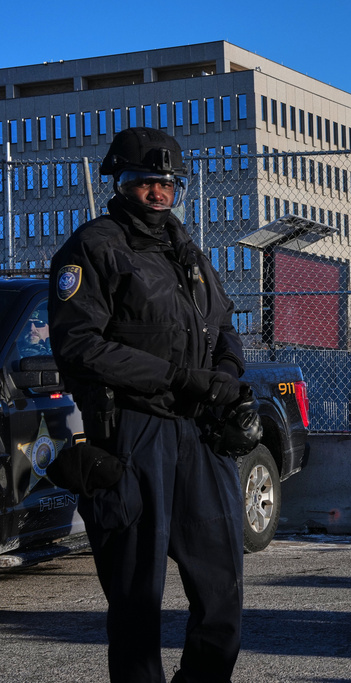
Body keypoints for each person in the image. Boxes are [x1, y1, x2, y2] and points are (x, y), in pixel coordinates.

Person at [48, 127, 247, 683]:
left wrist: (226, 375)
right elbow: (80, 345)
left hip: (199, 432)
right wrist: (180, 377)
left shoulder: (186, 249)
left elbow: (224, 323)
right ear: (119, 181)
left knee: (221, 592)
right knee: (137, 600)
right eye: (144, 183)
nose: (158, 193)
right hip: (135, 434)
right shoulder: (94, 246)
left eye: (168, 184)